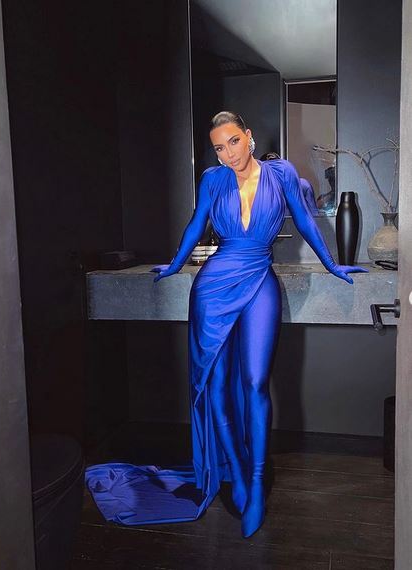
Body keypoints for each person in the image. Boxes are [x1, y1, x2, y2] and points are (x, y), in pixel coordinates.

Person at [85, 112, 368, 539]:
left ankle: (255, 484)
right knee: (214, 385)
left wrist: (333, 264)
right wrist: (174, 265)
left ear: (248, 137)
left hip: (259, 280)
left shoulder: (281, 174)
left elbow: (306, 221)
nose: (228, 153)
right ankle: (236, 472)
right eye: (219, 147)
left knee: (255, 383)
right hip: (213, 287)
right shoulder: (213, 180)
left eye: (233, 141)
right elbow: (196, 224)